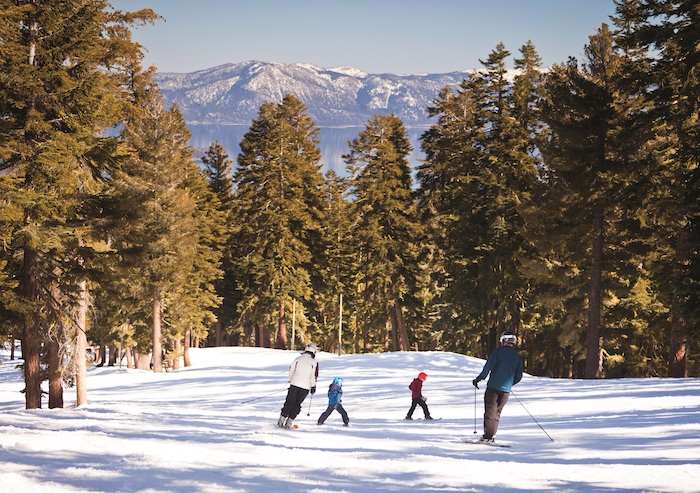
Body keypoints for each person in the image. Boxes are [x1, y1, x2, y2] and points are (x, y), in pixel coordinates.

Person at [472, 332, 523, 442]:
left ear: (503, 340)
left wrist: (478, 379)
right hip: (506, 392)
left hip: (493, 388)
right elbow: (519, 376)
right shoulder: (517, 356)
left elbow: (487, 368)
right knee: (497, 413)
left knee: (490, 412)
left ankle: (488, 437)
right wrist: (509, 384)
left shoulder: (498, 352)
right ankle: (491, 435)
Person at [277, 343, 319, 429]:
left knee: (289, 402)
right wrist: (313, 386)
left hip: (294, 384)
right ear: (314, 352)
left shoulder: (298, 359)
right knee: (297, 404)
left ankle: (281, 420)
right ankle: (289, 422)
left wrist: (290, 380)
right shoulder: (314, 362)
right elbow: (313, 376)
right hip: (305, 388)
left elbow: (291, 370)